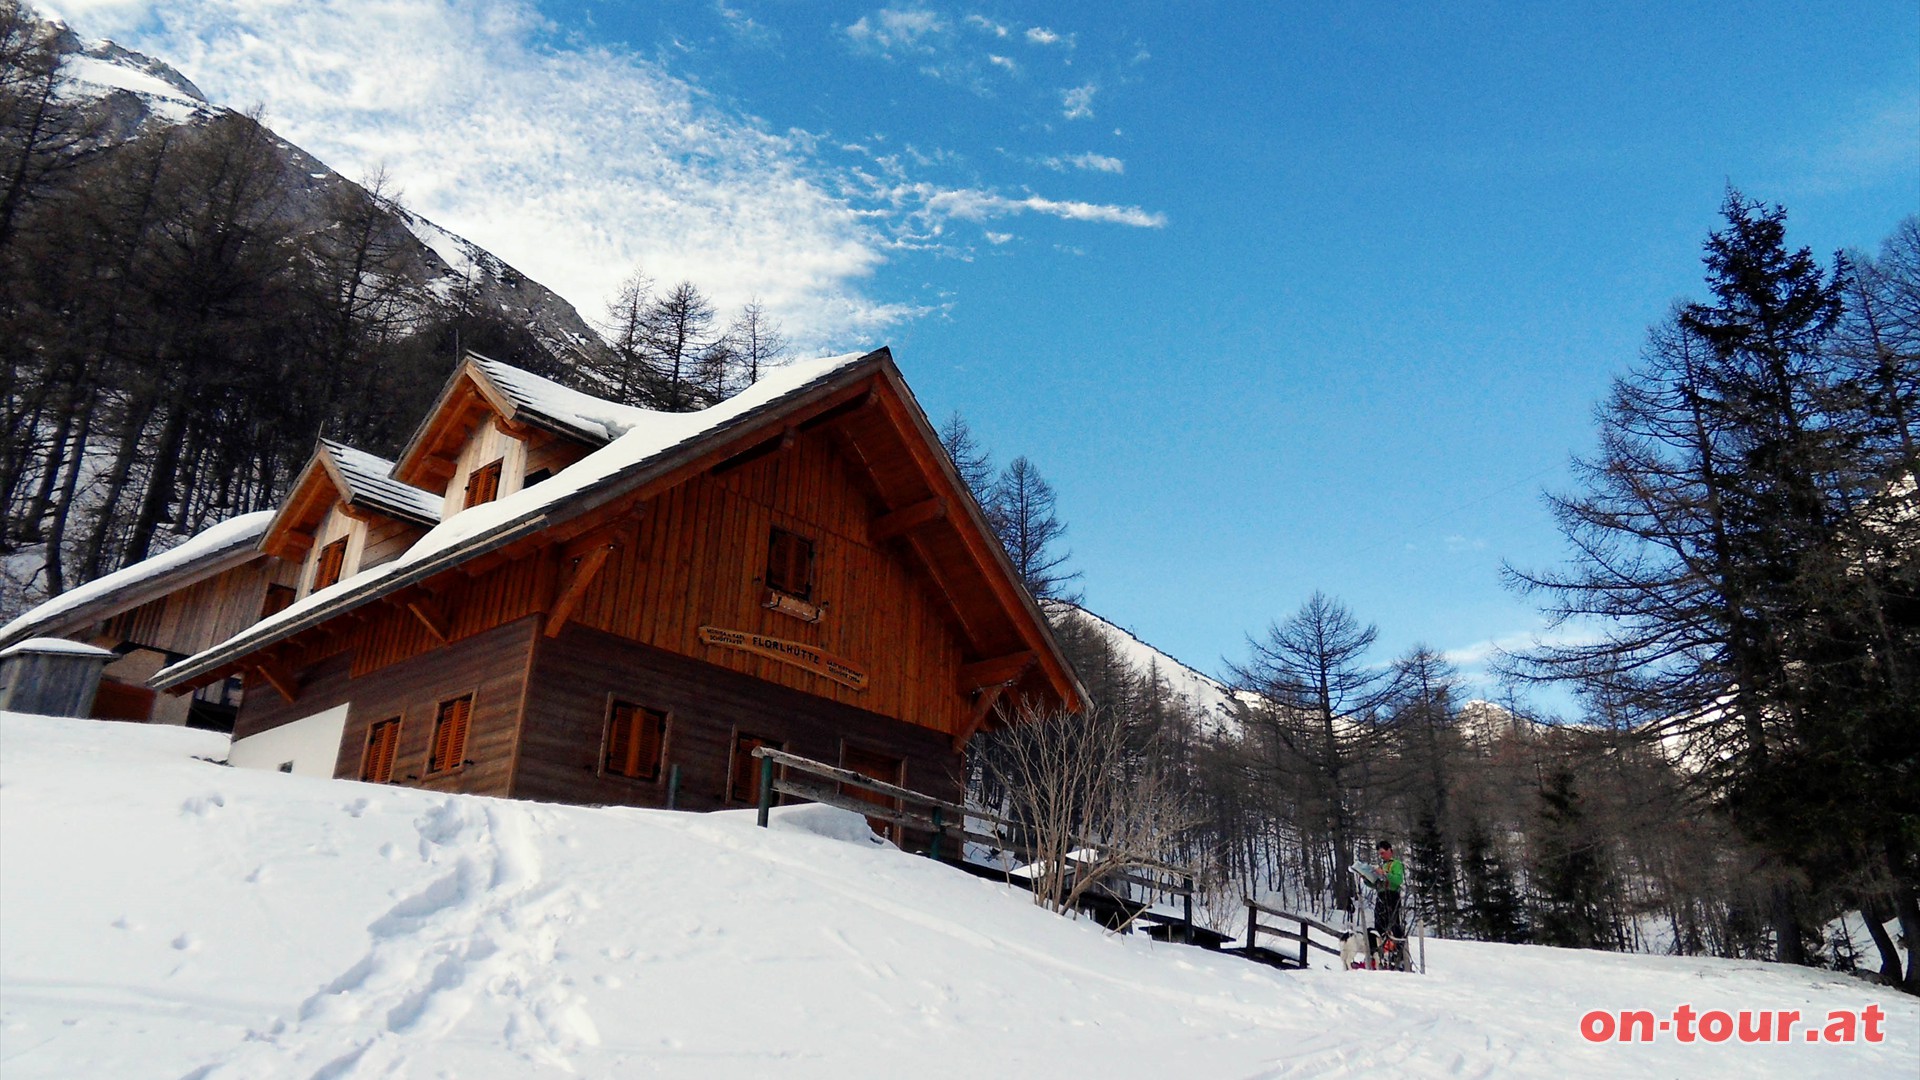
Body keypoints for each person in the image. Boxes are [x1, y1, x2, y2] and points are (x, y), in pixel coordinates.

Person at [1371, 840, 1405, 951]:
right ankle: (1381, 949)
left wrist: (1385, 874)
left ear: (1390, 851)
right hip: (1381, 895)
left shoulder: (1396, 864)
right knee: (1379, 925)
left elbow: (1398, 880)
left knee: (1393, 924)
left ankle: (1397, 950)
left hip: (1392, 895)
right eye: (1380, 854)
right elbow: (1376, 884)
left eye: (1383, 853)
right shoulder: (1382, 866)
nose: (1381, 856)